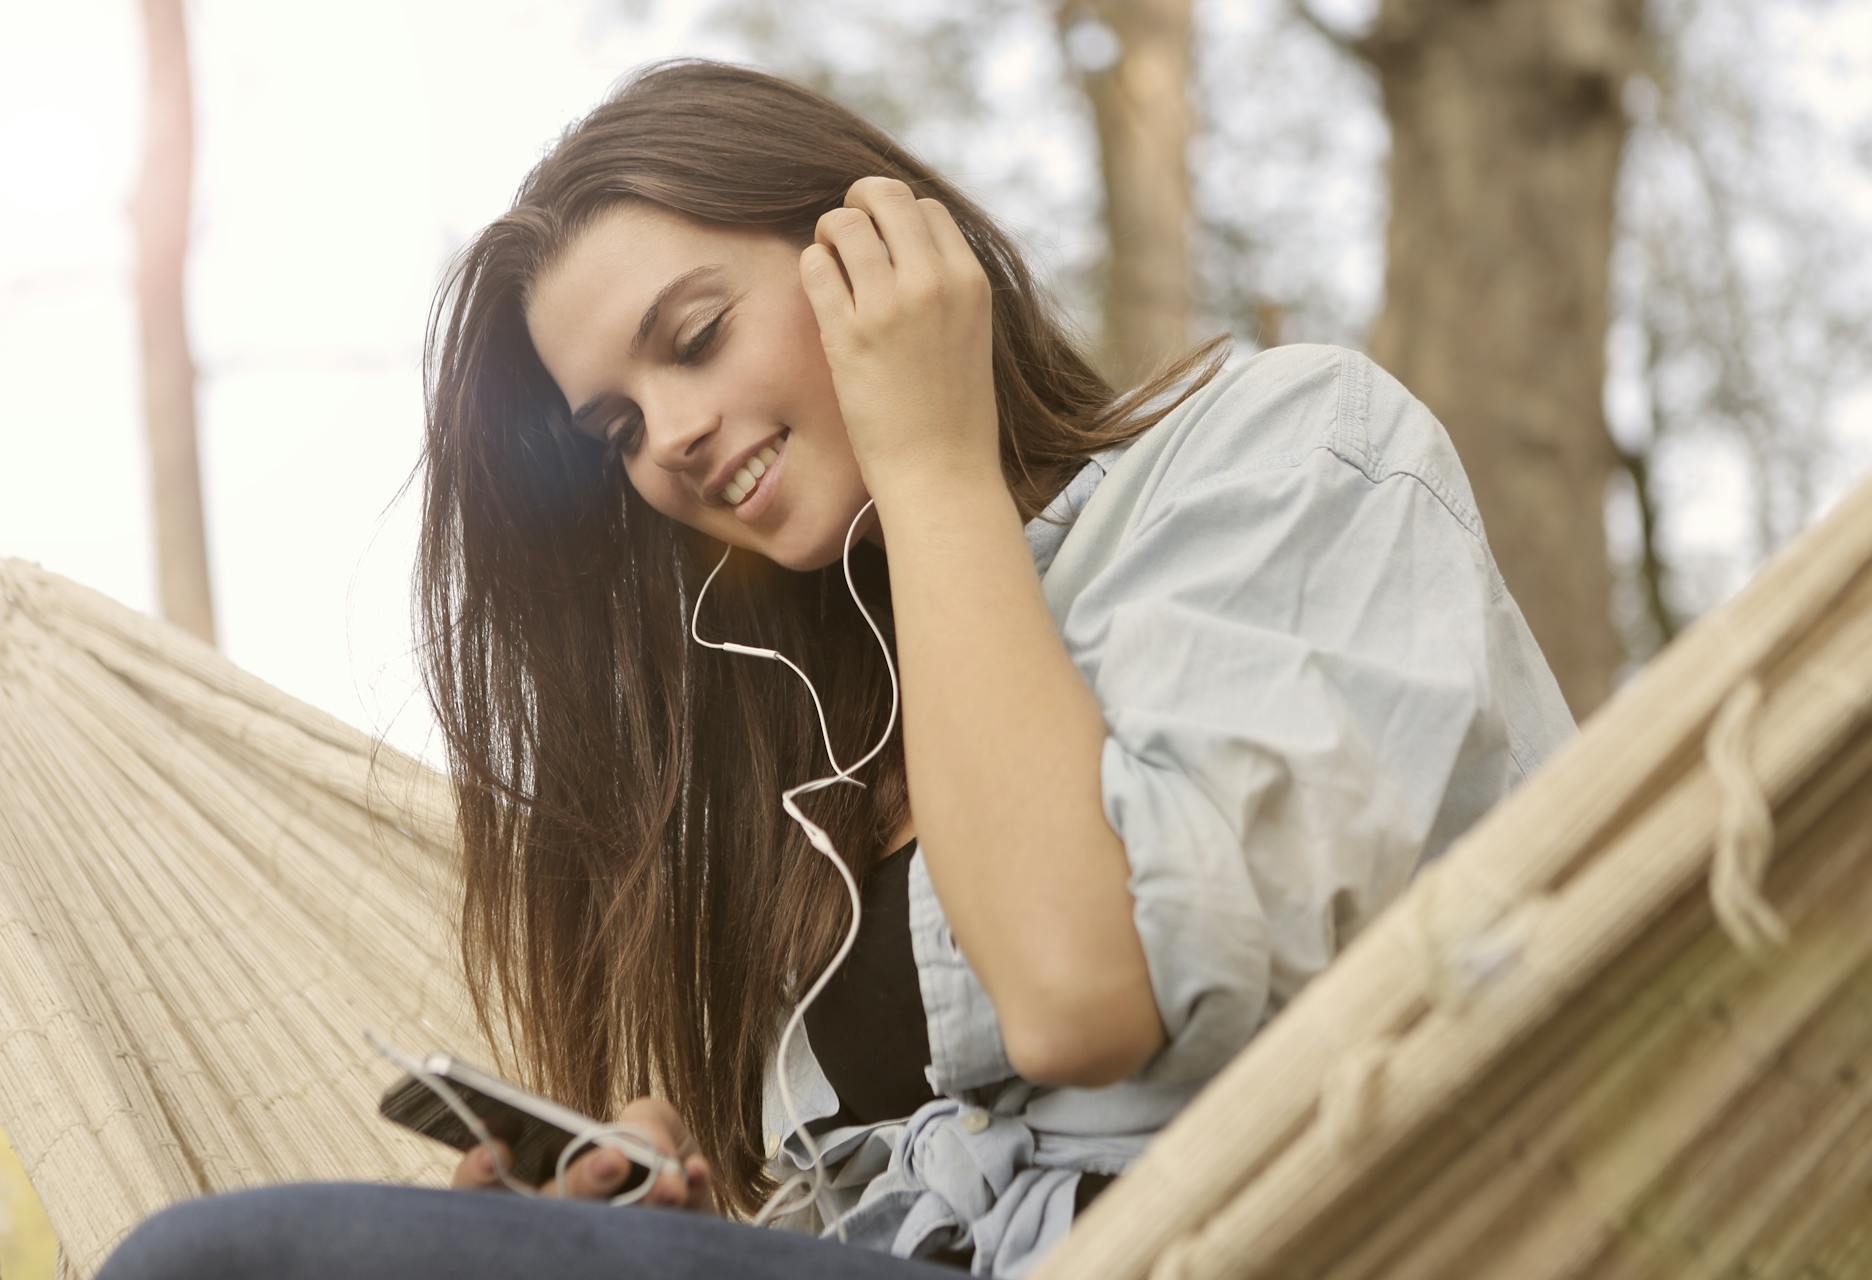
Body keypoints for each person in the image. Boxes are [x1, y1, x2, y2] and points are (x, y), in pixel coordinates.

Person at [95, 55, 1577, 1280]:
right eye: (617, 427)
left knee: (228, 1271)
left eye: (695, 338)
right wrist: (686, 1228)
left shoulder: (1278, 450)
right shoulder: (821, 749)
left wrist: (933, 461)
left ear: (878, 251)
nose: (667, 437)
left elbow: (1077, 997)